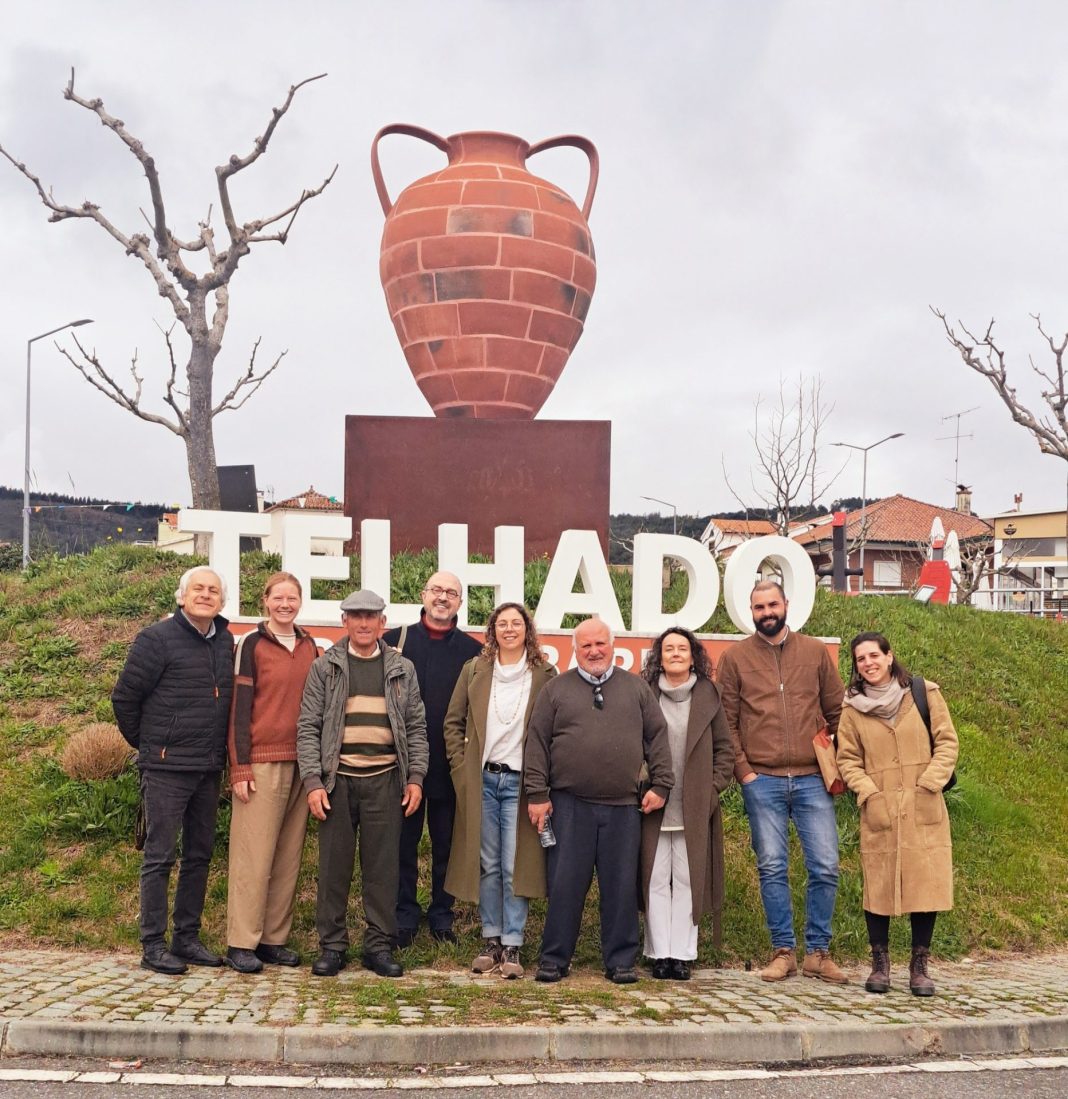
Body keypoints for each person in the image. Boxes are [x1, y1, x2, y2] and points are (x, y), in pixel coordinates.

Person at [524, 617, 674, 985]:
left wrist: (662, 784)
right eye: (586, 645)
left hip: (624, 807)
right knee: (565, 885)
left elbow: (657, 737)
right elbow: (537, 743)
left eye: (600, 644)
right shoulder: (556, 690)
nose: (594, 651)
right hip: (568, 804)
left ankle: (621, 961)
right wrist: (537, 794)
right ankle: (554, 959)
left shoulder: (637, 689)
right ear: (575, 650)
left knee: (621, 886)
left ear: (612, 646)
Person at [716, 579, 847, 984]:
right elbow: (727, 720)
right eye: (759, 607)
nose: (767, 612)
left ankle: (818, 953)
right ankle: (783, 951)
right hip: (763, 780)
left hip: (812, 777)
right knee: (772, 867)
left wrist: (839, 761)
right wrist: (745, 773)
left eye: (772, 604)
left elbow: (838, 710)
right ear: (750, 612)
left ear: (786, 604)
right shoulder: (735, 658)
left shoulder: (814, 652)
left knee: (825, 866)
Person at [296, 589, 428, 978]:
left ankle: (378, 946)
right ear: (345, 622)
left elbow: (417, 727)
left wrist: (416, 777)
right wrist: (313, 782)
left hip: (386, 780)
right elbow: (308, 726)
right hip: (337, 781)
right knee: (333, 869)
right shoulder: (326, 667)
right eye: (356, 616)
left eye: (371, 616)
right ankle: (332, 946)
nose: (364, 623)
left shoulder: (401, 667)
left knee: (383, 870)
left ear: (382, 623)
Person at [112, 566, 234, 975]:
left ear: (222, 600)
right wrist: (151, 746)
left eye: (213, 590)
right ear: (182, 597)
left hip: (207, 766)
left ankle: (186, 937)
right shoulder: (155, 639)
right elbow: (125, 699)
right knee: (159, 856)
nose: (205, 595)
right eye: (197, 589)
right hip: (166, 768)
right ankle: (152, 945)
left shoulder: (224, 640)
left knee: (199, 855)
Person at [836, 631, 959, 996]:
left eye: (874, 655)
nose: (869, 663)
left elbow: (947, 742)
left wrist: (930, 782)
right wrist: (868, 792)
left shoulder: (925, 694)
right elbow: (847, 759)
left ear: (889, 657)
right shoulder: (851, 709)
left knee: (926, 884)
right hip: (881, 806)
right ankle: (880, 964)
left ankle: (920, 966)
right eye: (861, 659)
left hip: (924, 803)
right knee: (878, 884)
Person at [443, 602, 557, 979]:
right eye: (502, 624)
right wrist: (461, 770)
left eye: (516, 623)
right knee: (488, 864)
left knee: (514, 865)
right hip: (483, 781)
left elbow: (554, 731)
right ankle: (490, 940)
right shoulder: (474, 669)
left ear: (528, 630)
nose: (509, 629)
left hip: (521, 784)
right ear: (493, 631)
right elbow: (452, 722)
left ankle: (513, 943)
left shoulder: (543, 673)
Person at [225, 572, 319, 973]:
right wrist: (240, 765)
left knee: (287, 856)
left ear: (300, 601)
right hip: (261, 761)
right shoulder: (251, 643)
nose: (285, 604)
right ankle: (241, 942)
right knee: (253, 855)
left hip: (303, 762)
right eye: (278, 597)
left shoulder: (310, 644)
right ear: (265, 601)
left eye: (292, 597)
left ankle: (273, 940)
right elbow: (238, 709)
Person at [383, 572, 481, 946]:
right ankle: (404, 917)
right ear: (423, 595)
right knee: (402, 847)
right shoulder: (394, 641)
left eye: (451, 593)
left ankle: (442, 917)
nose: (443, 598)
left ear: (460, 602)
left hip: (449, 767)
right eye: (436, 590)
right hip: (400, 767)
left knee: (447, 848)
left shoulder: (473, 652)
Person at [638, 626, 735, 980]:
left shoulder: (710, 694)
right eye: (668, 649)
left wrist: (711, 790)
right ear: (659, 657)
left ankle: (682, 954)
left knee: (688, 879)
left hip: (696, 805)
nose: (675, 653)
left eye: (682, 648)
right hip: (653, 804)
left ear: (693, 655)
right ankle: (658, 953)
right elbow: (634, 745)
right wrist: (642, 784)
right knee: (655, 878)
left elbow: (725, 750)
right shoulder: (645, 693)